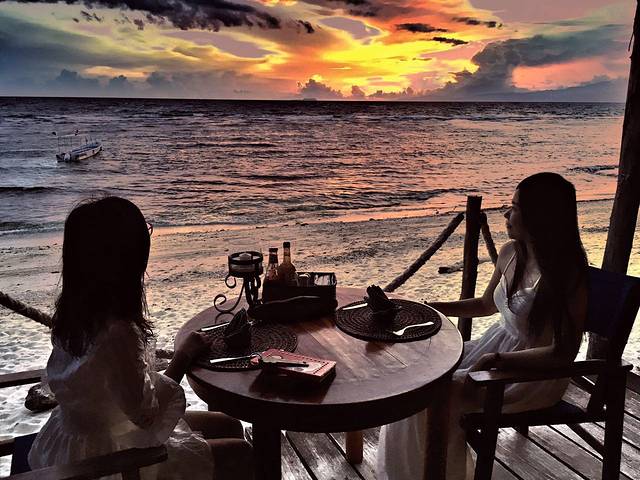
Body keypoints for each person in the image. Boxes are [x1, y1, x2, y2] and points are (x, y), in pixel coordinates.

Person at [376, 172, 589, 480]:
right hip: (495, 348)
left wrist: (498, 360)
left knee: (435, 394)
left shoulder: (568, 274)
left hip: (531, 374)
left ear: (539, 216)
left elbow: (563, 352)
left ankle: (436, 474)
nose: (506, 214)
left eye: (514, 207)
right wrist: (429, 307)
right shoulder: (511, 253)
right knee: (415, 375)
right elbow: (485, 305)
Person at [28, 197, 253, 480]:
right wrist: (182, 357)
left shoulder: (73, 315)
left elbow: (115, 390)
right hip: (113, 462)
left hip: (71, 443)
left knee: (230, 425)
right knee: (243, 454)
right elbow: (146, 416)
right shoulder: (118, 332)